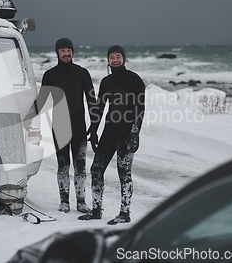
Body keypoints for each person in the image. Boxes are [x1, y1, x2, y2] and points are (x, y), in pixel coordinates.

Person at [25, 38, 97, 213]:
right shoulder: (51, 75)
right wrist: (28, 118)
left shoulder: (82, 73)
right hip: (60, 128)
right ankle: (64, 201)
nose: (66, 53)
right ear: (58, 53)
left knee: (80, 166)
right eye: (63, 50)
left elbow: (91, 101)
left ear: (73, 52)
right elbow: (42, 100)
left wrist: (94, 126)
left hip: (79, 126)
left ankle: (81, 201)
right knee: (63, 164)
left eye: (69, 50)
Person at [79, 45, 145, 225]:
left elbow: (140, 108)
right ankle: (96, 209)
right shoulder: (106, 82)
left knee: (124, 173)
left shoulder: (134, 79)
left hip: (126, 133)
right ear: (107, 60)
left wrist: (135, 133)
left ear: (124, 58)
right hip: (110, 131)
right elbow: (100, 108)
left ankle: (125, 213)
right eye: (112, 57)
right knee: (96, 169)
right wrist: (93, 130)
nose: (115, 60)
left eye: (118, 56)